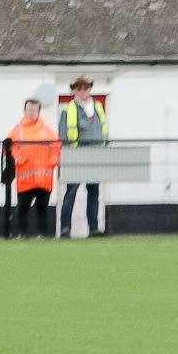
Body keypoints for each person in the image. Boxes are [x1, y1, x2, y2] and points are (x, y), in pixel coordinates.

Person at [55, 76, 108, 238]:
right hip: (76, 155)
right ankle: (65, 228)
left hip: (95, 154)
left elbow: (103, 130)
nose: (82, 91)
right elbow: (63, 135)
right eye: (79, 88)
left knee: (94, 192)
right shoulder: (68, 109)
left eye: (85, 88)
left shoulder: (98, 107)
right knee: (71, 193)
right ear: (73, 90)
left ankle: (93, 228)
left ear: (89, 89)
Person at [7, 99, 59, 240]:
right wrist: (17, 158)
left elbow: (56, 147)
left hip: (44, 177)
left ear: (39, 111)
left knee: (42, 207)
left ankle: (43, 235)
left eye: (34, 110)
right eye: (29, 110)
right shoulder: (17, 130)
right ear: (25, 111)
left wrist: (53, 160)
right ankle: (22, 234)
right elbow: (10, 146)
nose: (31, 113)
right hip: (25, 177)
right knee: (23, 206)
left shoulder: (47, 130)